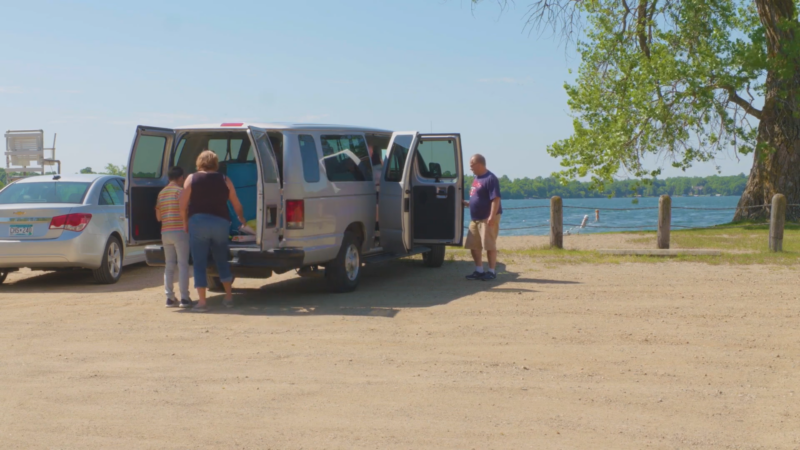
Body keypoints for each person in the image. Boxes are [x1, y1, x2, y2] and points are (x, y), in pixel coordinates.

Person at [179, 150, 246, 312]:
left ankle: (202, 302)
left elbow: (182, 204)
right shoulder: (225, 179)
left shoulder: (191, 178)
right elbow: (236, 203)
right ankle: (229, 297)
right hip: (221, 223)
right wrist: (242, 220)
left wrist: (185, 222)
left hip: (198, 223)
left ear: (199, 162)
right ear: (215, 163)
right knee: (222, 258)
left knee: (199, 262)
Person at [156, 166, 192, 308]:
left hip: (165, 232)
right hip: (180, 231)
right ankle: (184, 298)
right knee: (183, 265)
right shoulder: (180, 192)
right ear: (180, 178)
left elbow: (159, 217)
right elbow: (185, 210)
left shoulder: (161, 193)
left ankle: (170, 298)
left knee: (169, 265)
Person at [462, 154, 502, 281]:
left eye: (471, 165)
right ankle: (479, 270)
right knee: (474, 245)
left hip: (487, 217)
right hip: (475, 218)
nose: (470, 168)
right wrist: (469, 203)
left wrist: (491, 216)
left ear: (479, 164)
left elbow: (496, 199)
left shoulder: (491, 178)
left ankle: (491, 271)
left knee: (489, 245)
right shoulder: (476, 178)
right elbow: (478, 196)